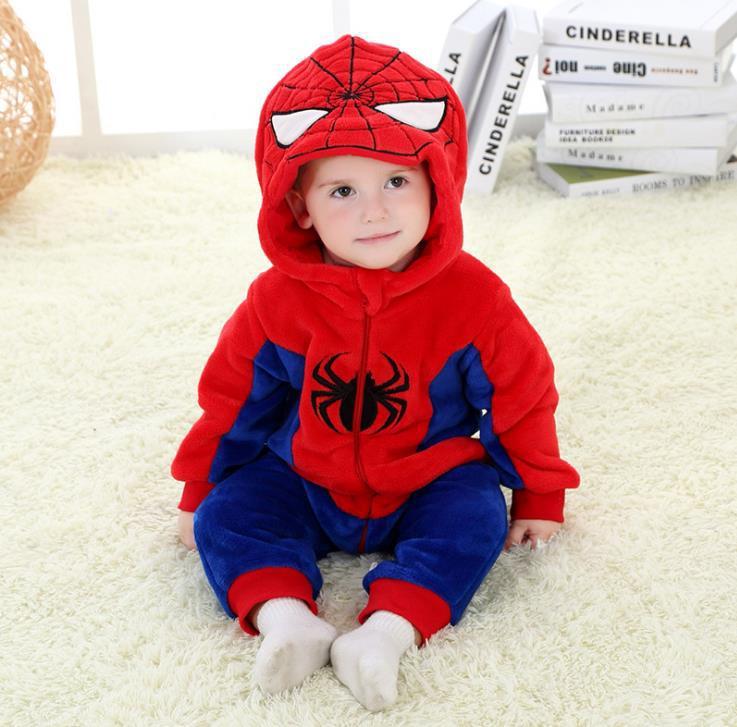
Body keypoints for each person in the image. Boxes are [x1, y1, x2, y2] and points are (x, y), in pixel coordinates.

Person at [172, 34, 580, 712]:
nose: (375, 210)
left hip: (428, 475)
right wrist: (200, 484)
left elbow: (521, 395)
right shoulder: (275, 301)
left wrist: (538, 492)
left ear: (437, 183)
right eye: (342, 190)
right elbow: (234, 398)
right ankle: (285, 618)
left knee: (476, 518)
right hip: (304, 473)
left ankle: (387, 632)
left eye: (396, 181)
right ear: (299, 207)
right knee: (228, 515)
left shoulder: (475, 300)